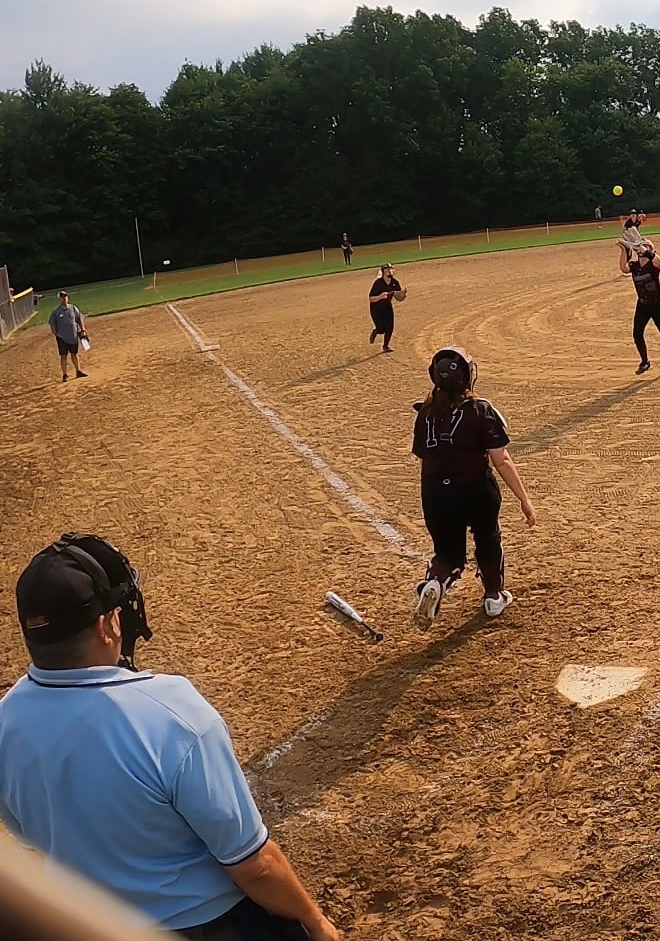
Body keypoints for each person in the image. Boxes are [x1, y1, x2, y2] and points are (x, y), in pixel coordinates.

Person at [0, 534, 341, 940]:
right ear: (106, 626)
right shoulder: (171, 713)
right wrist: (317, 923)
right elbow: (255, 866)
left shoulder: (5, 720)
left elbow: (30, 843)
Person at [411, 348, 536, 629]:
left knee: (448, 553)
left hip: (435, 492)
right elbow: (501, 460)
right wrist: (524, 499)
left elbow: (424, 457)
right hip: (476, 490)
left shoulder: (425, 413)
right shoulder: (480, 409)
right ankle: (493, 597)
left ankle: (436, 581)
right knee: (488, 539)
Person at [619, 218, 660, 373]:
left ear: (651, 250)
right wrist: (624, 250)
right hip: (642, 305)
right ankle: (645, 362)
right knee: (637, 334)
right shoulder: (635, 266)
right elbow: (624, 269)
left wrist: (647, 251)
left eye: (646, 245)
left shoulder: (653, 265)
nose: (642, 246)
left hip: (657, 304)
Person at [47, 291, 87, 382]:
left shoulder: (73, 308)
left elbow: (79, 319)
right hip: (62, 338)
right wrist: (56, 334)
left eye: (65, 296)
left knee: (74, 354)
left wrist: (83, 330)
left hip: (73, 336)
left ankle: (78, 371)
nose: (64, 298)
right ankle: (65, 374)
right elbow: (52, 324)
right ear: (59, 299)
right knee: (63, 356)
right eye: (62, 297)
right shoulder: (56, 312)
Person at [368, 264, 403, 352]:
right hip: (376, 308)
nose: (389, 271)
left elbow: (398, 294)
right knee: (381, 329)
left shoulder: (395, 282)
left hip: (387, 306)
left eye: (390, 269)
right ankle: (376, 331)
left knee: (390, 327)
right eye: (387, 270)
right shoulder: (378, 283)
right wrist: (380, 296)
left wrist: (401, 295)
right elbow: (371, 298)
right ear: (383, 272)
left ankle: (385, 346)